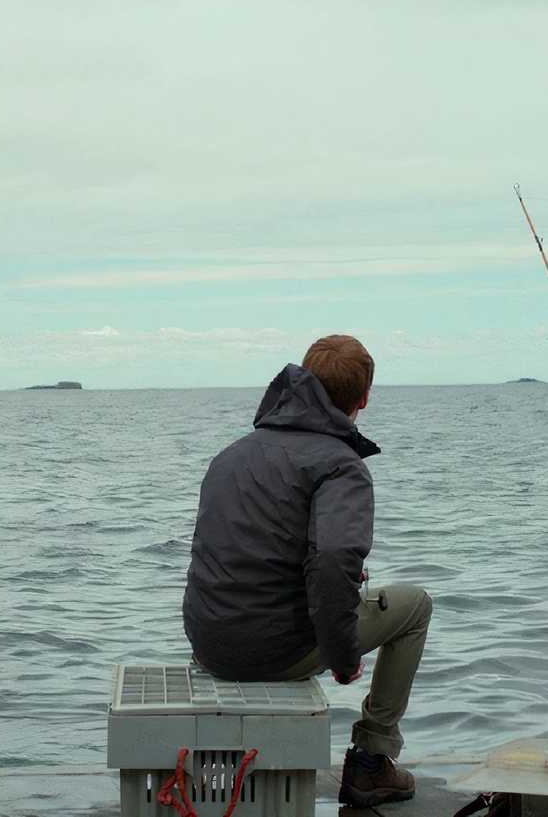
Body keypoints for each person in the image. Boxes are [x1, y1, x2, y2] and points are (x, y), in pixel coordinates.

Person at [182, 335, 432, 808]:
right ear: (363, 399)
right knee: (415, 606)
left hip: (209, 644)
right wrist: (343, 657)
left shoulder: (232, 453)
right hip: (273, 650)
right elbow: (334, 563)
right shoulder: (341, 466)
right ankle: (371, 762)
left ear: (303, 383)